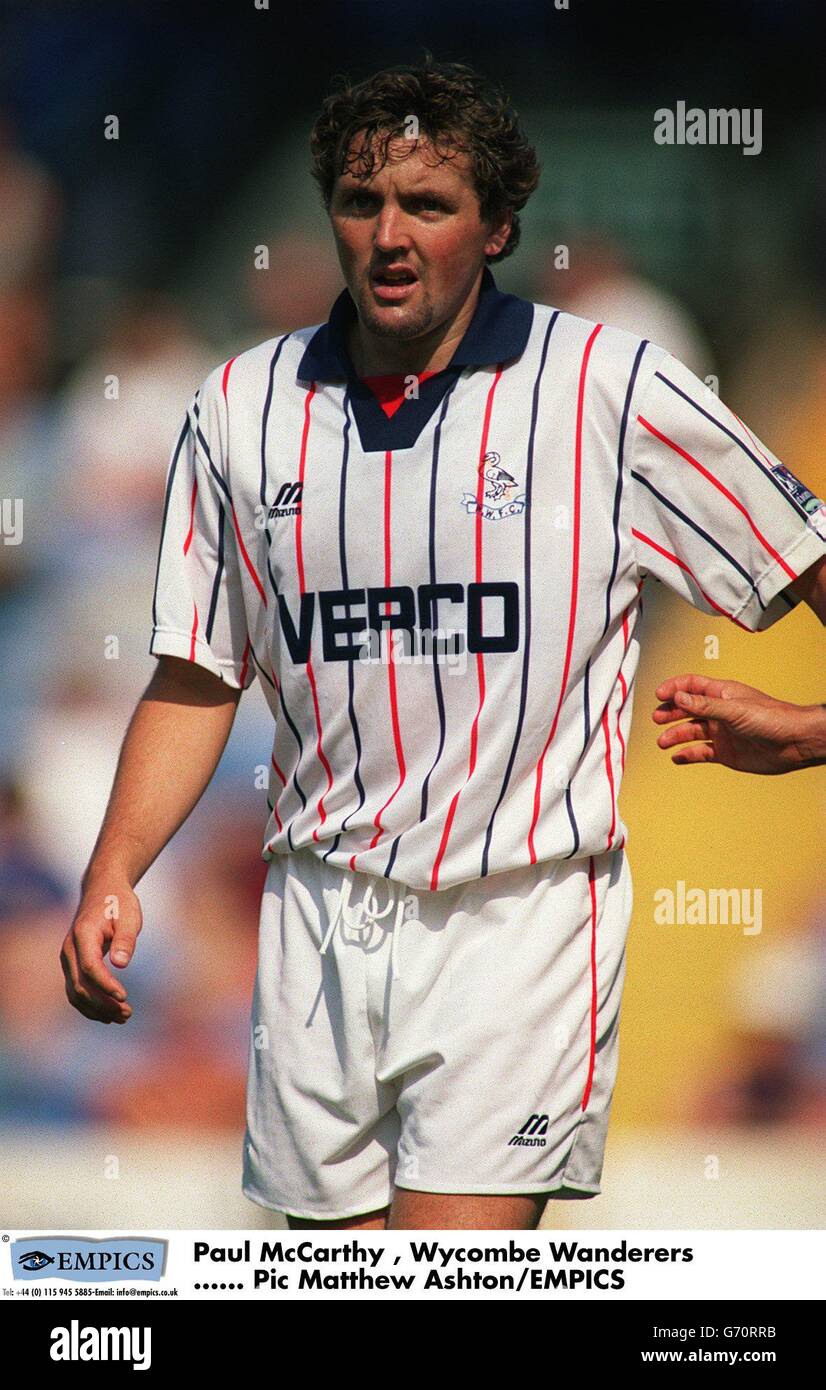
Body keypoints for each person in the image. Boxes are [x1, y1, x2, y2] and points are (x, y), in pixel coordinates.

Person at [61, 59, 826, 1231]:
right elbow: (195, 669)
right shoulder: (241, 409)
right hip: (313, 916)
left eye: (427, 205)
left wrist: (814, 730)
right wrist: (114, 866)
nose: (389, 235)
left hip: (516, 920)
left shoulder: (606, 388)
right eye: (361, 203)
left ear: (499, 224)